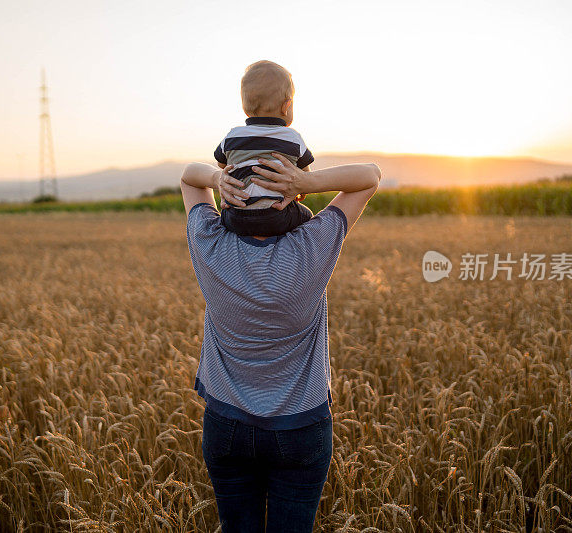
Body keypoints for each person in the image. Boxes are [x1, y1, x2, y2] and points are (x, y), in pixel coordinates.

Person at [180, 152, 381, 532]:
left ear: (229, 197)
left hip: (227, 423)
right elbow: (370, 176)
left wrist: (216, 176)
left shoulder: (209, 241)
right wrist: (305, 183)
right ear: (293, 198)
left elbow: (190, 179)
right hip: (302, 426)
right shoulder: (313, 245)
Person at [214, 60, 314, 237]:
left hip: (236, 217)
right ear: (287, 106)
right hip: (277, 216)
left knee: (223, 216)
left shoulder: (232, 136)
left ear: (246, 108)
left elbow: (222, 166)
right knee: (307, 215)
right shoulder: (292, 137)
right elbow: (305, 176)